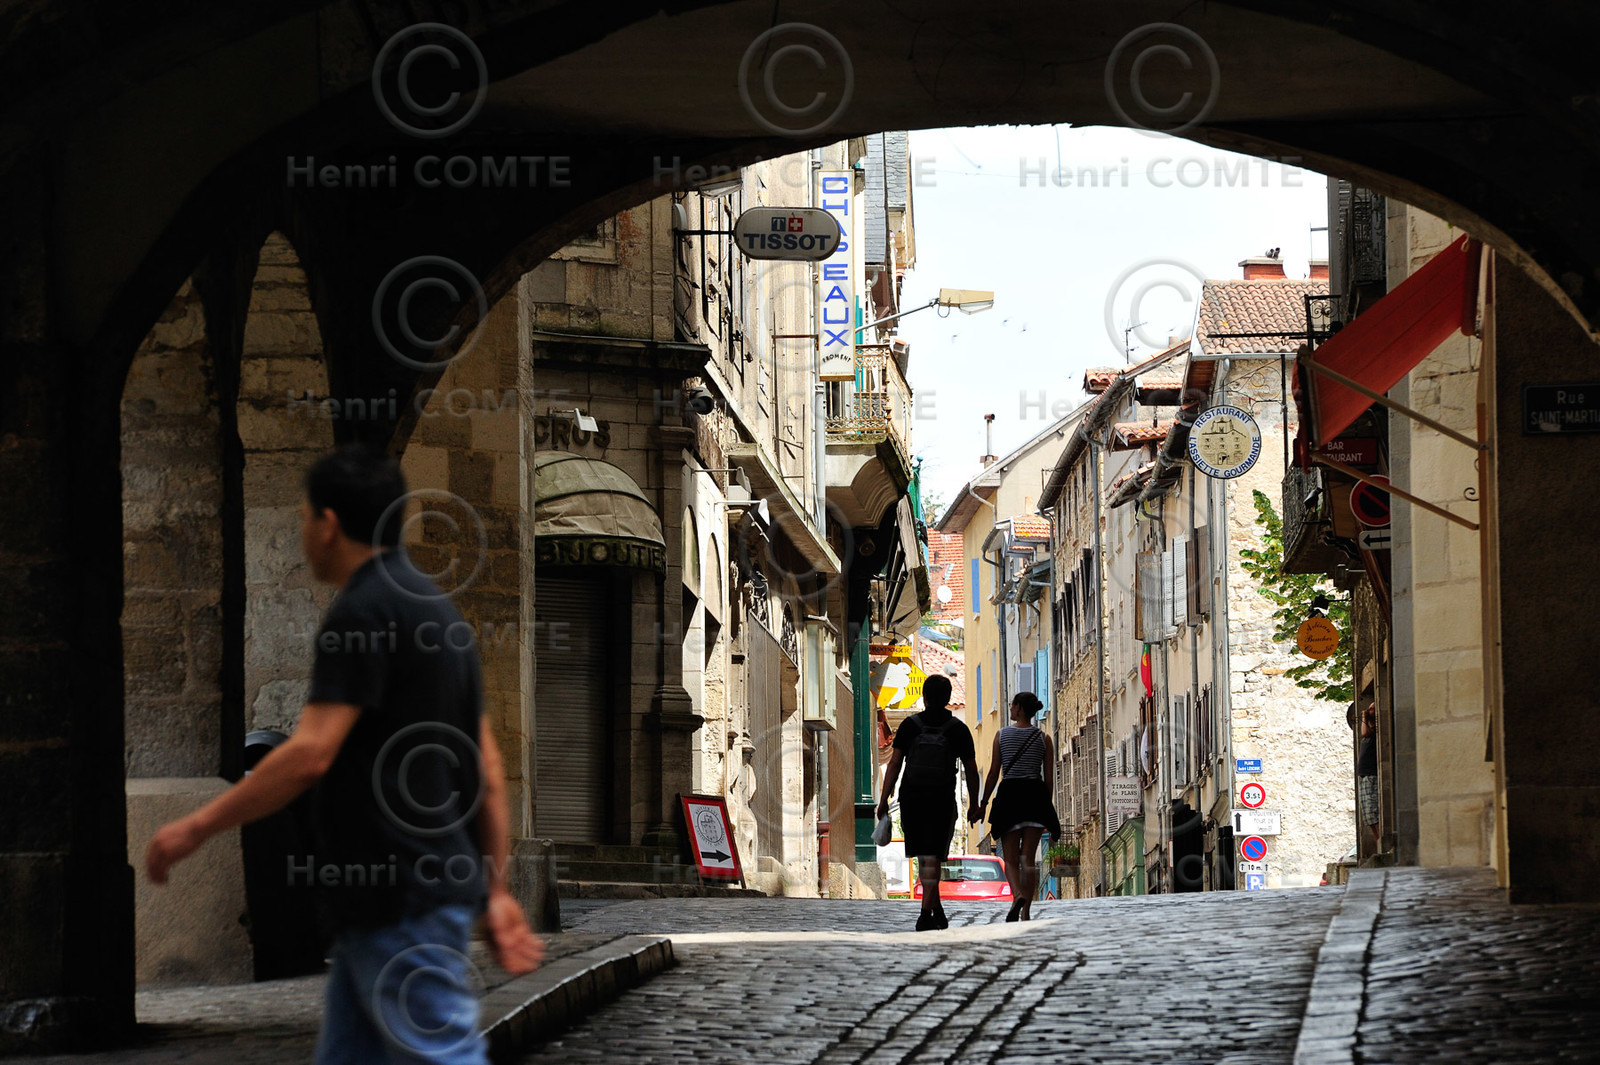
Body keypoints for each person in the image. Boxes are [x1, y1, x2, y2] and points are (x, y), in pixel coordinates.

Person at [145, 444, 542, 1064]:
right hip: (400, 899)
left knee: (443, 1055)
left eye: (305, 519)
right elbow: (487, 771)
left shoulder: (359, 614)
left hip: (395, 899)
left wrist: (197, 826)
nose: (303, 535)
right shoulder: (442, 617)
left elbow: (309, 755)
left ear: (328, 524)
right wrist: (494, 889)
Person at [877, 674, 981, 931]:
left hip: (913, 798)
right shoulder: (958, 729)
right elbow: (971, 769)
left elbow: (894, 763)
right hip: (942, 799)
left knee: (925, 858)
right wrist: (974, 804)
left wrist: (884, 798)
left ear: (924, 696)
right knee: (934, 857)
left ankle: (932, 910)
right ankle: (930, 911)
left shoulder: (911, 726)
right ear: (947, 699)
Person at [979, 692, 1060, 922]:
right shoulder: (1044, 739)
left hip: (1010, 797)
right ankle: (1026, 912)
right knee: (1028, 860)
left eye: (1013, 705)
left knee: (1011, 859)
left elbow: (994, 773)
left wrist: (984, 803)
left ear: (1020, 709)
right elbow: (1049, 780)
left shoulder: (1001, 735)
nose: (1010, 708)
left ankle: (1017, 897)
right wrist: (1046, 808)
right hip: (1035, 798)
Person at [1358, 703, 1380, 849]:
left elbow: (1364, 733)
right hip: (1365, 778)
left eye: (1372, 708)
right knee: (1368, 816)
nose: (1369, 710)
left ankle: (1380, 841)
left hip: (1371, 778)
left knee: (1372, 811)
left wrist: (1365, 716)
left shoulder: (1375, 731)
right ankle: (1378, 842)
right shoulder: (1370, 730)